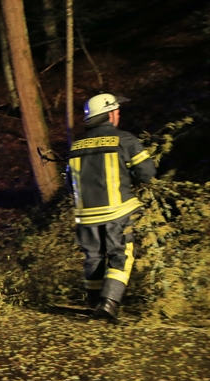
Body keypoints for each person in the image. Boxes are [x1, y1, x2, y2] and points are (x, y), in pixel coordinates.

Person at [67, 93, 155, 320]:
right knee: (121, 255)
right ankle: (109, 303)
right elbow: (147, 173)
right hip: (118, 212)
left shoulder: (76, 145)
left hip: (85, 216)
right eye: (117, 111)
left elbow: (69, 182)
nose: (119, 115)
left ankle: (94, 301)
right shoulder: (124, 139)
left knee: (93, 256)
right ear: (110, 114)